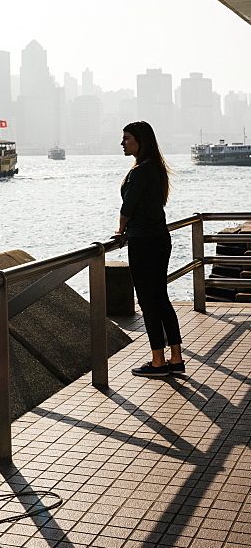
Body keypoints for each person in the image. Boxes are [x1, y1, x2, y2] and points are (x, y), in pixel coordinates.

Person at [116, 121, 184, 378]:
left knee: (147, 300)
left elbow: (128, 207)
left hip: (143, 241)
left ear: (140, 141)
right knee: (161, 297)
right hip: (160, 239)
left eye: (127, 138)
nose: (123, 143)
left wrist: (120, 230)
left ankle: (158, 361)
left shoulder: (140, 171)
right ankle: (175, 357)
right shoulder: (155, 168)